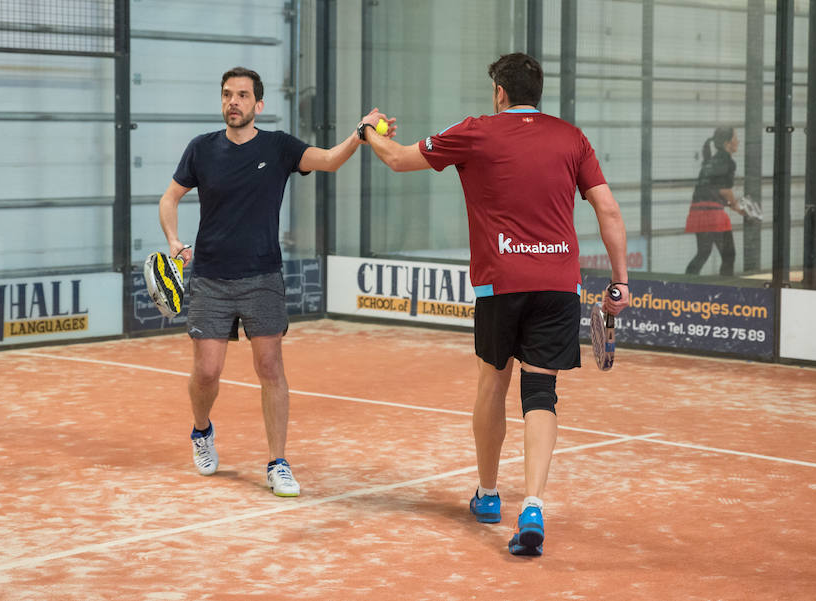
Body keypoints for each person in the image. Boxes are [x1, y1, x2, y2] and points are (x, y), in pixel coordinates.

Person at [361, 53, 630, 555]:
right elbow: (608, 208)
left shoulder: (476, 131)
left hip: (500, 284)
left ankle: (487, 494)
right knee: (541, 394)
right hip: (558, 285)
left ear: (500, 92)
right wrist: (620, 281)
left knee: (493, 381)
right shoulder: (573, 138)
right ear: (537, 92)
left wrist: (368, 130)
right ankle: (532, 504)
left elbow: (397, 158)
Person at [158, 66, 391, 496]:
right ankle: (201, 430)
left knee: (270, 369)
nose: (233, 102)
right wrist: (173, 240)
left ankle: (277, 462)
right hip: (210, 277)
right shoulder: (201, 149)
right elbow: (170, 197)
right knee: (207, 372)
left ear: (258, 105)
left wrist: (360, 134)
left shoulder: (279, 147)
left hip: (263, 276)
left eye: (243, 96)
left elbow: (327, 160)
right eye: (228, 94)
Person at [684, 127, 749, 276]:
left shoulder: (709, 161)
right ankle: (725, 290)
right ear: (727, 143)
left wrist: (732, 205)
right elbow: (724, 190)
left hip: (696, 213)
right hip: (713, 215)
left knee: (703, 253)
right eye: (735, 138)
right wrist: (737, 207)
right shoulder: (728, 161)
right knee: (729, 256)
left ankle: (686, 284)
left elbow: (711, 189)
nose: (738, 141)